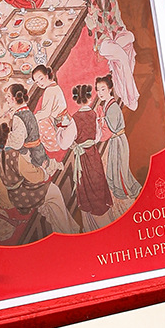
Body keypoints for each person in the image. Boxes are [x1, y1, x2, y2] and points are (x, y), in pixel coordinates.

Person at [0, 122, 75, 236]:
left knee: (51, 198)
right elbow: (34, 176)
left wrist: (5, 202)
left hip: (14, 195)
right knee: (53, 191)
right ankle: (66, 230)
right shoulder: (14, 155)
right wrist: (43, 169)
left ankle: (66, 227)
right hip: (23, 193)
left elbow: (1, 184)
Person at [84, 0, 139, 109]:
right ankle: (131, 97)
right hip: (104, 40)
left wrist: (122, 32)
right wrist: (90, 16)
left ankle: (124, 90)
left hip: (116, 34)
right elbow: (91, 25)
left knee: (131, 37)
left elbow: (118, 18)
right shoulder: (93, 2)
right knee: (123, 57)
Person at [66, 82, 114, 231]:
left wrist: (63, 132)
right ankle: (104, 220)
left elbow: (65, 142)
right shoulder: (93, 115)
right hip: (93, 154)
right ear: (89, 97)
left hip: (83, 158)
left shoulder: (74, 119)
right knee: (97, 181)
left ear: (76, 100)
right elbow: (98, 136)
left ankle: (96, 225)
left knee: (87, 185)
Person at [95, 74, 140, 216]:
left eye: (103, 89)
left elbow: (109, 130)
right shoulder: (107, 105)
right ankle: (124, 195)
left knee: (120, 170)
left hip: (118, 140)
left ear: (110, 89)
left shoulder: (113, 106)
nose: (100, 93)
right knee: (115, 168)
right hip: (115, 140)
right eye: (98, 90)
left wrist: (101, 119)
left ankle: (127, 200)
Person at [30, 64, 73, 156]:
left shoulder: (49, 91)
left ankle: (54, 144)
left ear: (46, 76)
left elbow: (46, 112)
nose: (40, 83)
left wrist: (32, 118)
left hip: (60, 121)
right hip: (64, 117)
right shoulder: (54, 85)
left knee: (39, 123)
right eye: (37, 82)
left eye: (41, 79)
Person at [6, 83, 49, 174]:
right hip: (39, 152)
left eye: (8, 96)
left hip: (31, 157)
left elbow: (16, 143)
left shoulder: (18, 118)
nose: (6, 97)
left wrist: (6, 136)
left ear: (14, 99)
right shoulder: (26, 111)